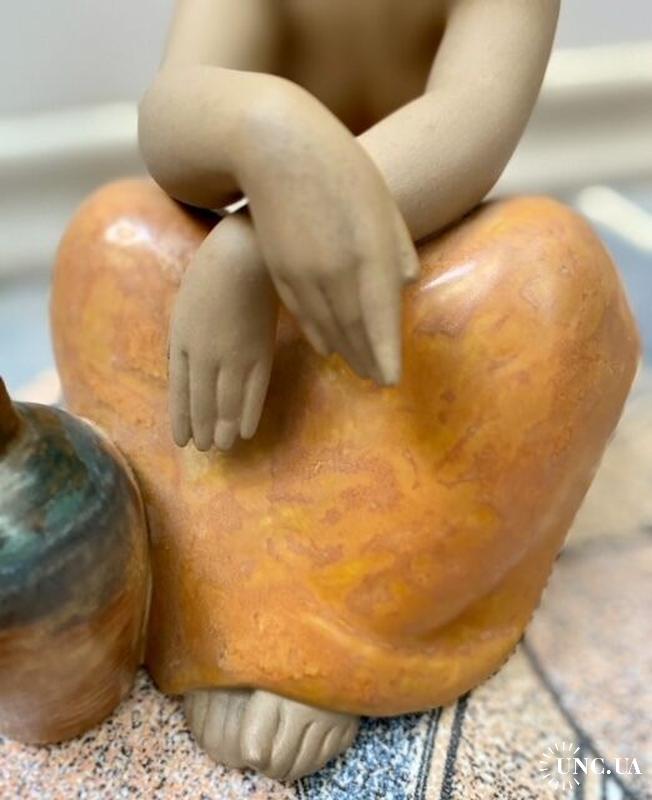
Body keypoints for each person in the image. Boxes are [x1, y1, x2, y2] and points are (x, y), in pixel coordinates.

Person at [137, 0, 560, 780]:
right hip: (257, 349)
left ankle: (352, 629)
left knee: (554, 273)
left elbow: (471, 120)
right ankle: (223, 602)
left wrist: (254, 247)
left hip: (418, 302)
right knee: (115, 236)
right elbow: (171, 117)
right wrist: (265, 125)